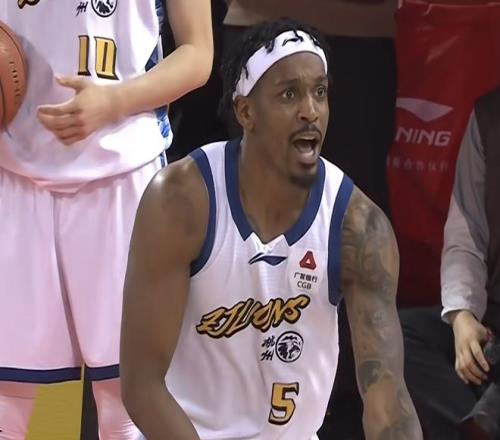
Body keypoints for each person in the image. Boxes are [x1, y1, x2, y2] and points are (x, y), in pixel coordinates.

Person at [120, 19, 422, 440]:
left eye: (320, 92)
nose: (310, 111)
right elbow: (141, 385)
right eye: (289, 94)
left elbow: (388, 403)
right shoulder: (181, 200)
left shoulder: (357, 226)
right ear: (246, 112)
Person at [0, 0, 212, 438]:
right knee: (9, 405)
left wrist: (114, 101)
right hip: (15, 173)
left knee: (127, 404)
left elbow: (198, 52)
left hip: (122, 172)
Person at [400, 87, 500, 439]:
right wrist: (462, 317)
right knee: (400, 335)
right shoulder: (489, 116)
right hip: (493, 321)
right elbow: (467, 232)